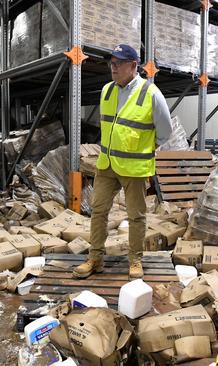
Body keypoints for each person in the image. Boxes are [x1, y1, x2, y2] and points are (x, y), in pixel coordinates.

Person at [73, 44, 173, 279]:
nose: (113, 67)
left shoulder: (151, 93)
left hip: (134, 168)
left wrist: (146, 148)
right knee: (98, 212)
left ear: (133, 66)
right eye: (112, 63)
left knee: (136, 216)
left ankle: (135, 260)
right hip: (106, 164)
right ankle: (95, 259)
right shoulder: (107, 90)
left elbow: (165, 132)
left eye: (119, 63)